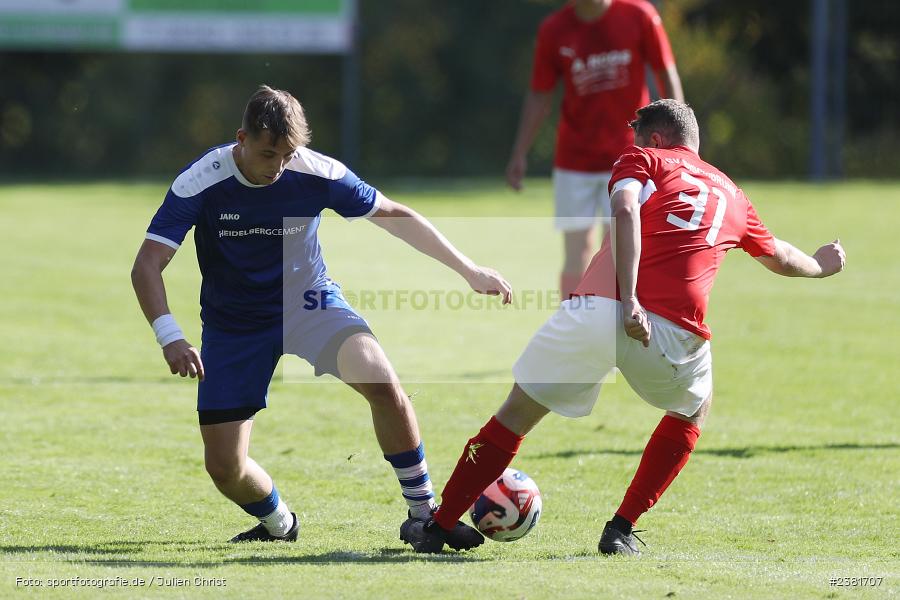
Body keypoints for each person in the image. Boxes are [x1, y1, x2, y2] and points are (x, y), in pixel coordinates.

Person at [401, 99, 846, 554]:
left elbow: (626, 210)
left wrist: (630, 296)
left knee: (513, 417)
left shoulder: (644, 159)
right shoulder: (732, 193)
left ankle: (439, 525)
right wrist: (821, 264)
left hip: (595, 310)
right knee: (693, 409)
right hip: (672, 332)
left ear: (656, 138)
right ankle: (620, 528)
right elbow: (783, 259)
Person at [131, 85, 510, 547]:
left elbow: (391, 213)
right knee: (225, 468)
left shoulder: (314, 171)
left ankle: (423, 515)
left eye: (288, 155)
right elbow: (147, 264)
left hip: (309, 303)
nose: (279, 167)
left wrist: (468, 270)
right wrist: (170, 336)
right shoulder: (201, 180)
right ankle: (279, 524)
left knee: (384, 384)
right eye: (269, 154)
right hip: (235, 325)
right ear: (241, 139)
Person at [505, 0, 684, 301]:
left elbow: (666, 75)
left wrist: (678, 141)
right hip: (574, 160)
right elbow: (540, 93)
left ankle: (621, 323)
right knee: (578, 251)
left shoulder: (640, 16)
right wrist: (519, 152)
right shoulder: (554, 29)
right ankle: (570, 322)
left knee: (622, 248)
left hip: (630, 157)